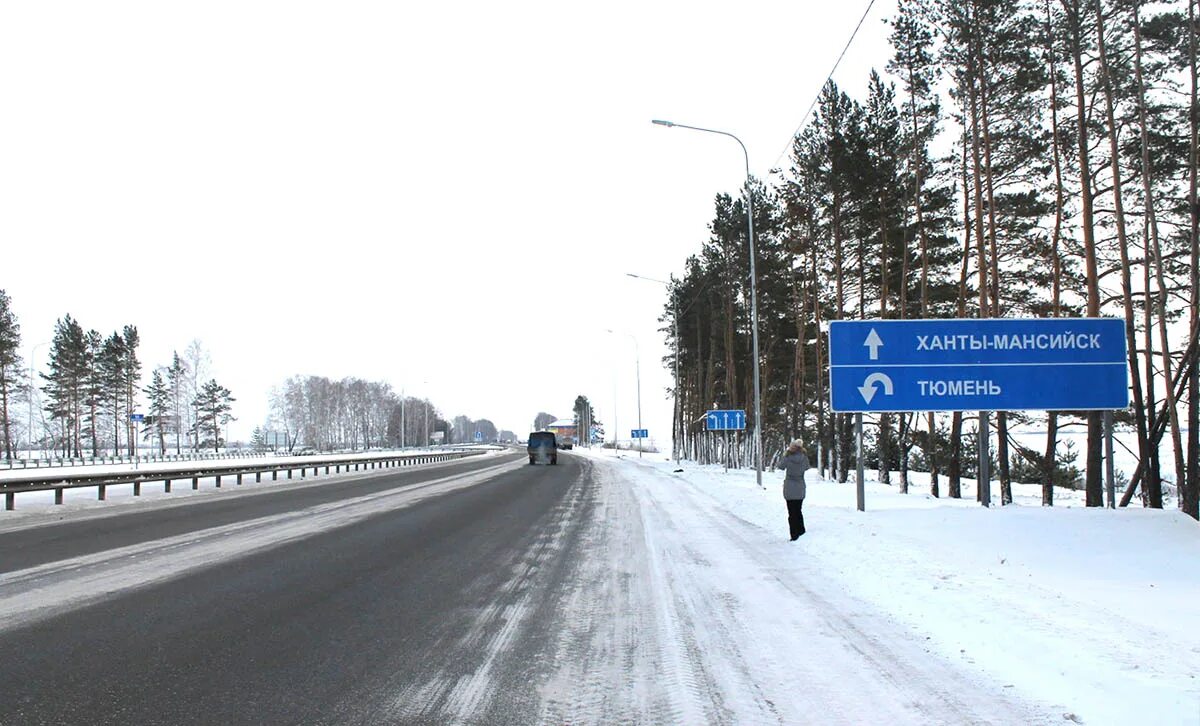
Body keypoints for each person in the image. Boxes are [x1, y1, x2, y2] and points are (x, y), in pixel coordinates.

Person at [777, 439, 809, 540]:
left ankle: (794, 534)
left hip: (790, 487)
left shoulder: (788, 457)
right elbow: (807, 467)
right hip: (800, 486)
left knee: (791, 512)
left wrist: (786, 455)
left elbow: (780, 466)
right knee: (798, 510)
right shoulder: (804, 457)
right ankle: (801, 530)